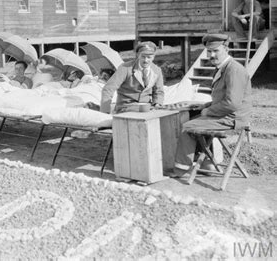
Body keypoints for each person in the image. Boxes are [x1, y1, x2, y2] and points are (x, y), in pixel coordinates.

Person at [172, 33, 252, 177]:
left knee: (188, 127)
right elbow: (222, 99)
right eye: (209, 51)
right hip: (225, 114)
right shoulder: (222, 67)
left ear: (226, 49)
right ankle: (207, 162)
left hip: (233, 118)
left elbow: (232, 103)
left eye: (216, 51)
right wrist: (204, 106)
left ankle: (181, 170)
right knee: (192, 116)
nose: (212, 55)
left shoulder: (234, 70)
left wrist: (208, 111)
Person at [100, 41, 164, 114]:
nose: (146, 60)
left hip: (147, 108)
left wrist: (157, 104)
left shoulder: (157, 70)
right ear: (137, 55)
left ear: (154, 57)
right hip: (126, 108)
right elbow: (108, 89)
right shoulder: (125, 68)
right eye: (143, 56)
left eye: (149, 57)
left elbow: (159, 92)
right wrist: (105, 112)